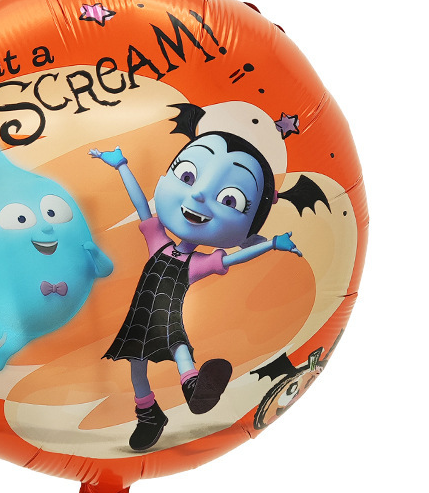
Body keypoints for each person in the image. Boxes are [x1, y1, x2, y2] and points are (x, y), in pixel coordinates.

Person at [90, 117, 304, 452]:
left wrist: (271, 244)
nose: (200, 193)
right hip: (139, 319)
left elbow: (234, 258)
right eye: (188, 177)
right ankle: (150, 414)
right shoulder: (158, 243)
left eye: (230, 200)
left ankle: (194, 388)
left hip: (167, 320)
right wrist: (122, 166)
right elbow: (142, 206)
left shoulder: (196, 264)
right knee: (137, 370)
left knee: (179, 348)